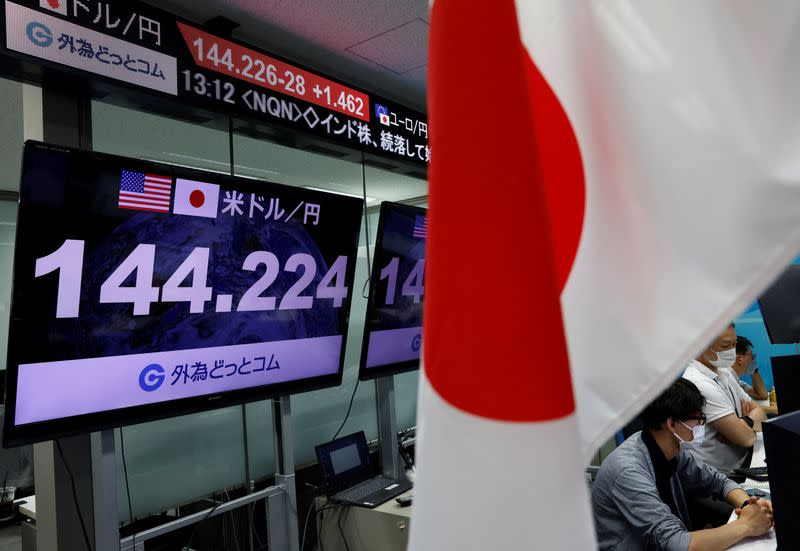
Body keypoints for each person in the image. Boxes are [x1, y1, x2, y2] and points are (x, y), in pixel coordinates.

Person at [592, 379, 773, 550]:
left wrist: (749, 505)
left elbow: (718, 481)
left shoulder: (671, 449)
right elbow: (676, 544)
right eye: (699, 419)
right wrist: (747, 525)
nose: (702, 425)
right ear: (672, 423)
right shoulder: (628, 471)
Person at [682, 324, 768, 472]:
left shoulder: (724, 373)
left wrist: (743, 422)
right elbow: (745, 438)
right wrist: (745, 425)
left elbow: (761, 414)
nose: (732, 351)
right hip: (720, 476)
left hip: (742, 461)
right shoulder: (699, 383)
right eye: (725, 345)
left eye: (734, 345)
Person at [732, 336, 778, 415]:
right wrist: (773, 409)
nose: (753, 360)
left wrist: (754, 371)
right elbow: (742, 408)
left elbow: (762, 395)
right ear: (739, 359)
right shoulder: (727, 382)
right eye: (751, 356)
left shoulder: (738, 382)